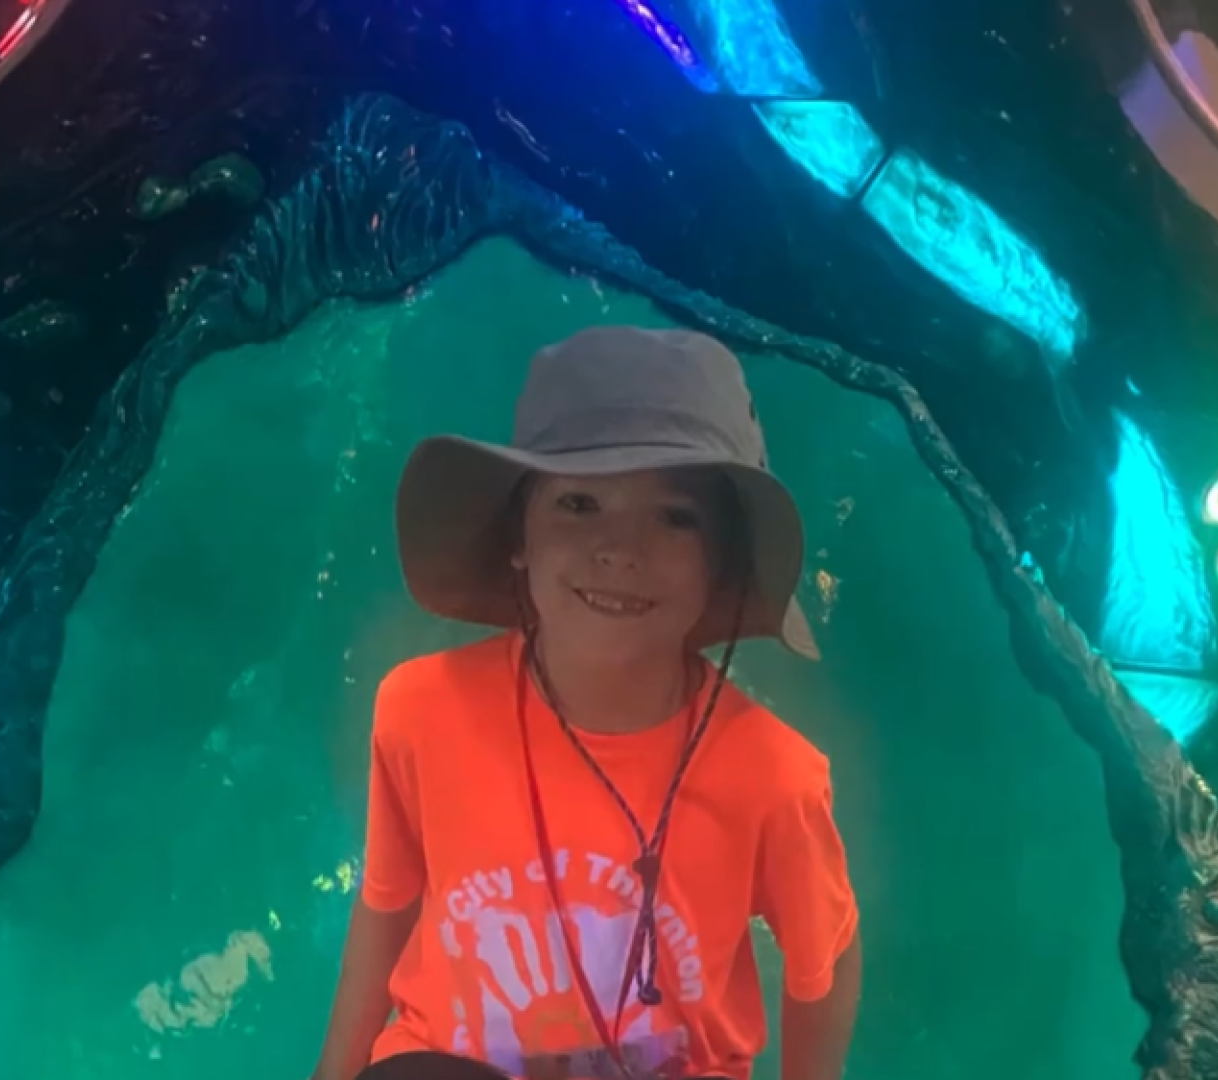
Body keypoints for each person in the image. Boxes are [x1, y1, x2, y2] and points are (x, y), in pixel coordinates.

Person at [310, 326, 863, 1080]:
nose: (620, 548)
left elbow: (823, 960)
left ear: (722, 561)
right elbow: (385, 908)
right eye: (578, 502)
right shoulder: (418, 709)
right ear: (518, 538)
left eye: (675, 516)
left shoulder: (774, 779)